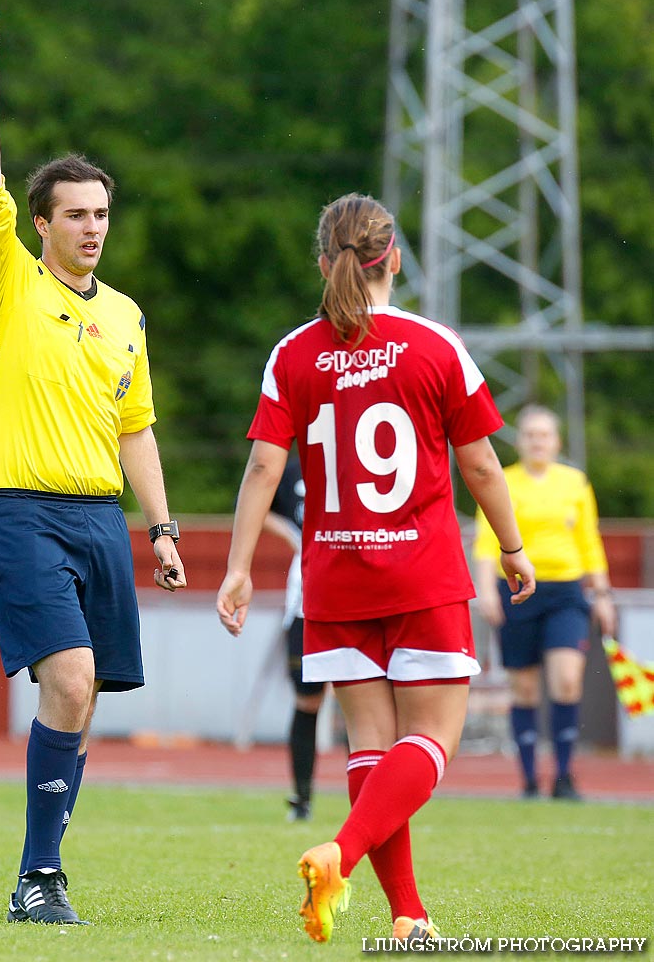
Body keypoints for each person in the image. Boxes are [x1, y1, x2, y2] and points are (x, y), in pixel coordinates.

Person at [216, 193, 535, 945]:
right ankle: (341, 855)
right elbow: (483, 465)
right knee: (429, 744)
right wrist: (513, 548)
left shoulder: (292, 352)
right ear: (393, 259)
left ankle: (408, 915)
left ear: (324, 265)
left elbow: (264, 464)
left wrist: (237, 568)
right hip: (419, 574)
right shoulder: (433, 345)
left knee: (369, 747)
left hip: (333, 577)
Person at [0, 18, 186, 925]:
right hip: (17, 509)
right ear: (42, 223)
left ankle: (40, 874)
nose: (91, 228)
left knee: (84, 694)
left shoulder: (127, 316)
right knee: (70, 676)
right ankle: (37, 876)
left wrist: (162, 529)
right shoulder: (11, 282)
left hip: (100, 520)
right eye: (75, 215)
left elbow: (137, 432)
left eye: (101, 214)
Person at [473, 404, 617, 801]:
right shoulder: (505, 481)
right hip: (518, 589)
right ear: (520, 441)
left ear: (556, 441)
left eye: (545, 434)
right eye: (530, 434)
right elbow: (486, 541)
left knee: (567, 679)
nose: (538, 441)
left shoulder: (574, 483)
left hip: (567, 591)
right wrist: (486, 589)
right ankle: (530, 780)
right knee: (524, 687)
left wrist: (602, 595)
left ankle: (565, 775)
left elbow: (590, 542)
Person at [262, 455, 328, 822]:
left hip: (357, 596)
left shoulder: (357, 451)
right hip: (305, 601)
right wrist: (292, 534)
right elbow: (260, 503)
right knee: (307, 700)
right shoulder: (291, 468)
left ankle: (368, 801)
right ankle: (301, 798)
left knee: (363, 700)